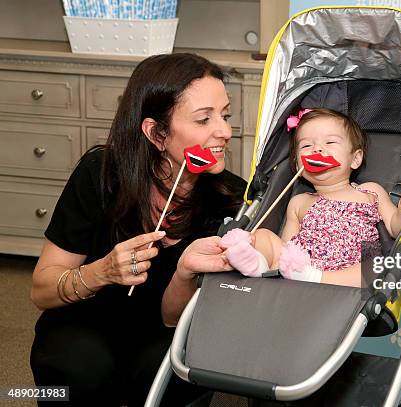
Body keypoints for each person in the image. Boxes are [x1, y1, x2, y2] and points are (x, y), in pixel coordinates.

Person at [30, 53, 243, 406]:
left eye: (225, 115)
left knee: (175, 371)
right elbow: (41, 290)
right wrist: (102, 272)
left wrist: (185, 273)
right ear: (156, 133)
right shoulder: (100, 174)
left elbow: (179, 320)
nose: (224, 131)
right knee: (78, 367)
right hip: (84, 324)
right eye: (204, 119)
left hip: (164, 333)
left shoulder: (231, 200)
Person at [220, 108, 401, 287]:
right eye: (306, 146)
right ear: (298, 165)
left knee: (375, 267)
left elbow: (395, 227)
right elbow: (288, 248)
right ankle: (256, 264)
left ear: (355, 159)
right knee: (263, 236)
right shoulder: (299, 202)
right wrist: (277, 255)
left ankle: (317, 277)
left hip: (348, 271)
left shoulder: (369, 192)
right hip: (303, 267)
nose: (317, 150)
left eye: (330, 142)